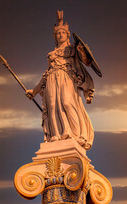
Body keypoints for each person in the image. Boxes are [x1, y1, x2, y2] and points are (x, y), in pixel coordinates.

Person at [26, 11, 99, 150]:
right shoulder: (51, 54)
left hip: (66, 77)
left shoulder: (72, 49)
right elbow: (45, 75)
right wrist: (34, 92)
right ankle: (56, 134)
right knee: (52, 106)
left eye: (63, 33)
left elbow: (86, 62)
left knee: (67, 102)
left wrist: (82, 51)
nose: (60, 35)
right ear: (55, 36)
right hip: (52, 79)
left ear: (67, 34)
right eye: (58, 33)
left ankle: (75, 134)